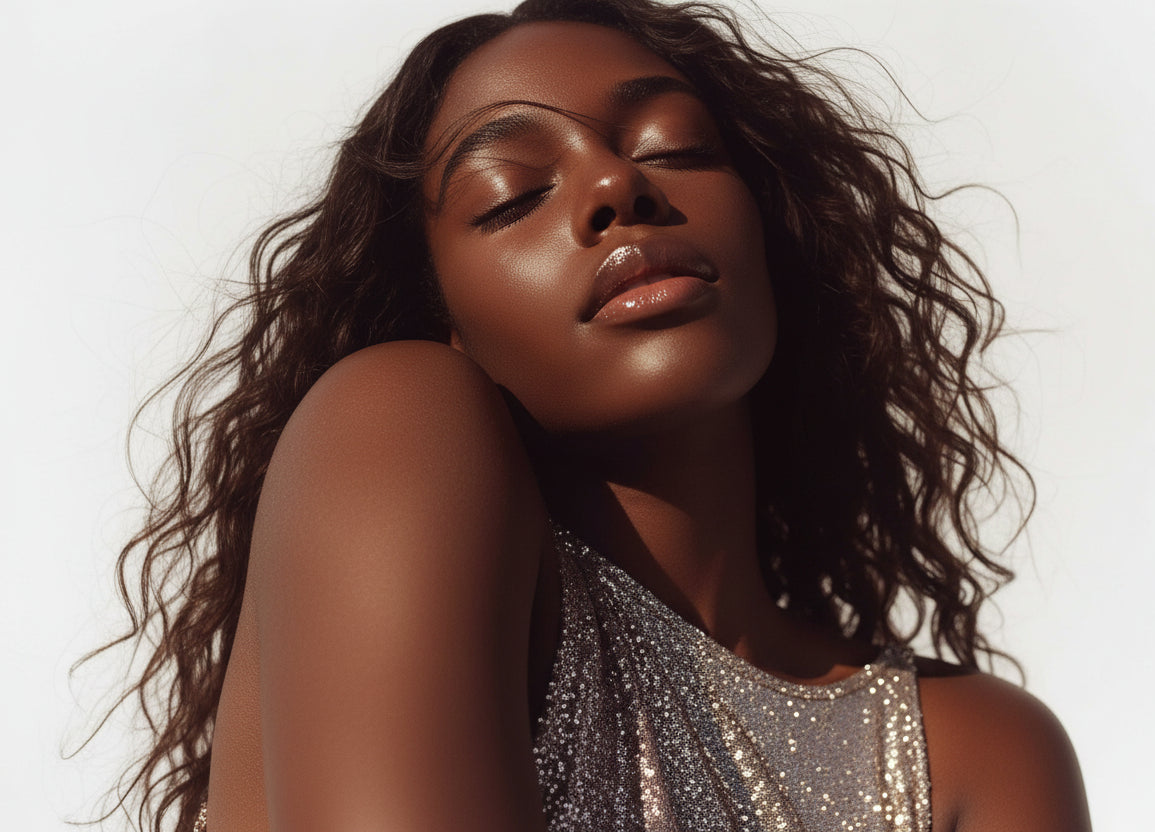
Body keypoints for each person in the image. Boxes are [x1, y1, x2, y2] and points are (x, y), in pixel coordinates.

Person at [88, 0, 1091, 829]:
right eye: (510, 196)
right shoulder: (391, 416)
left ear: (779, 231)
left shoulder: (977, 753)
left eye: (676, 147)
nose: (618, 184)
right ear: (445, 322)